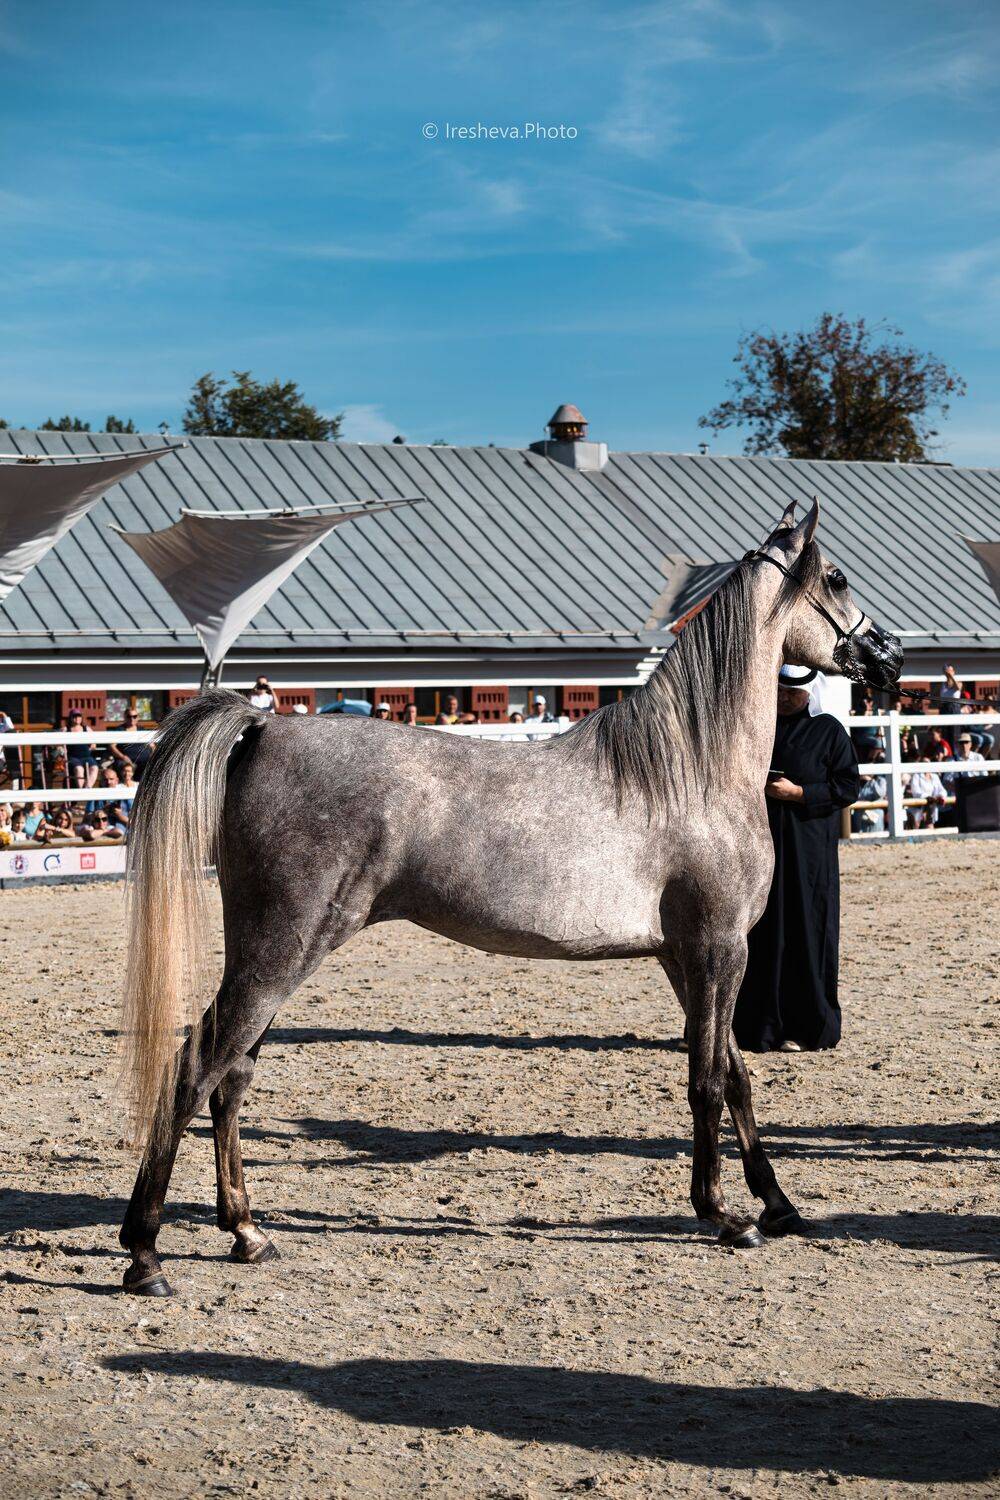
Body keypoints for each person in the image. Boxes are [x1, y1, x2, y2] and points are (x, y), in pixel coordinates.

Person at [733, 664, 860, 1054]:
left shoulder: (829, 732)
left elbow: (847, 786)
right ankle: (756, 1029)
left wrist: (800, 793)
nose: (786, 697)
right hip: (758, 851)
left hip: (809, 857)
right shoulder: (758, 729)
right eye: (781, 690)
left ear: (810, 692)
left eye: (794, 692)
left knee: (807, 932)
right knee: (759, 935)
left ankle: (805, 1028)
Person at [108, 706, 150, 776]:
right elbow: (112, 746)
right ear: (125, 717)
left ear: (138, 717)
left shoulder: (141, 729)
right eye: (129, 716)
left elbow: (152, 745)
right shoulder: (120, 730)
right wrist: (123, 757)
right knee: (123, 766)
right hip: (125, 759)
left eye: (134, 716)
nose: (132, 719)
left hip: (143, 759)